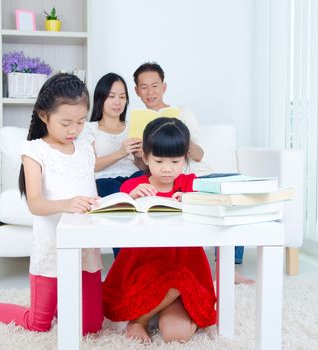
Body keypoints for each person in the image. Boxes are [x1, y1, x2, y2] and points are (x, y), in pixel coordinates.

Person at [0, 73, 103, 335]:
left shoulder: (86, 147)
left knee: (90, 327)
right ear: (44, 115)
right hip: (51, 249)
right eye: (66, 122)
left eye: (80, 121)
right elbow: (35, 204)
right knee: (38, 324)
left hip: (84, 249)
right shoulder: (35, 150)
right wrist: (68, 203)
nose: (74, 130)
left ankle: (64, 302)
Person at [133, 62, 253, 285]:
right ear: (136, 90)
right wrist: (142, 154)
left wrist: (177, 138)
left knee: (236, 188)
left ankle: (229, 268)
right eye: (144, 87)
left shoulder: (183, 113)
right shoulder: (136, 120)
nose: (150, 92)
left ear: (164, 87)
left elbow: (198, 154)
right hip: (165, 178)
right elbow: (143, 170)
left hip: (198, 175)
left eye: (155, 86)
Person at [102, 117, 216, 343]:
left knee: (177, 335)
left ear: (185, 158)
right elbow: (114, 221)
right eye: (159, 160)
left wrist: (193, 201)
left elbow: (213, 208)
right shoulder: (134, 186)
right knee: (160, 299)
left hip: (184, 271)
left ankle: (165, 307)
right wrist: (129, 199)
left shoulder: (191, 184)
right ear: (145, 157)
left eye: (175, 162)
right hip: (145, 270)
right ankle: (141, 320)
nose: (166, 169)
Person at [80, 72, 144, 198]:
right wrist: (121, 153)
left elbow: (142, 166)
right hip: (105, 180)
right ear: (100, 98)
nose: (117, 102)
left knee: (145, 178)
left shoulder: (133, 126)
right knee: (107, 187)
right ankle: (127, 197)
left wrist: (138, 157)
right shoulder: (89, 128)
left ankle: (129, 197)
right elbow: (90, 166)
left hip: (133, 177)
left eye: (122, 97)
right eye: (111, 96)